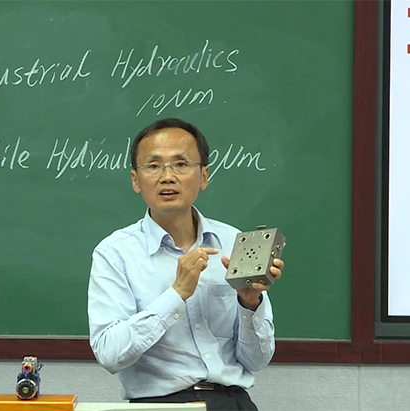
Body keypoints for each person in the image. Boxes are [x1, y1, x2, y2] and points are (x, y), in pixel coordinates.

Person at [88, 118, 284, 411]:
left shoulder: (233, 243)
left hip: (231, 402)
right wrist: (177, 293)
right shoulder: (115, 253)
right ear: (135, 180)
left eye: (181, 164)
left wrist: (249, 303)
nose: (167, 176)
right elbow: (110, 353)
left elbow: (257, 360)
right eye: (154, 166)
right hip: (157, 405)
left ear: (204, 176)